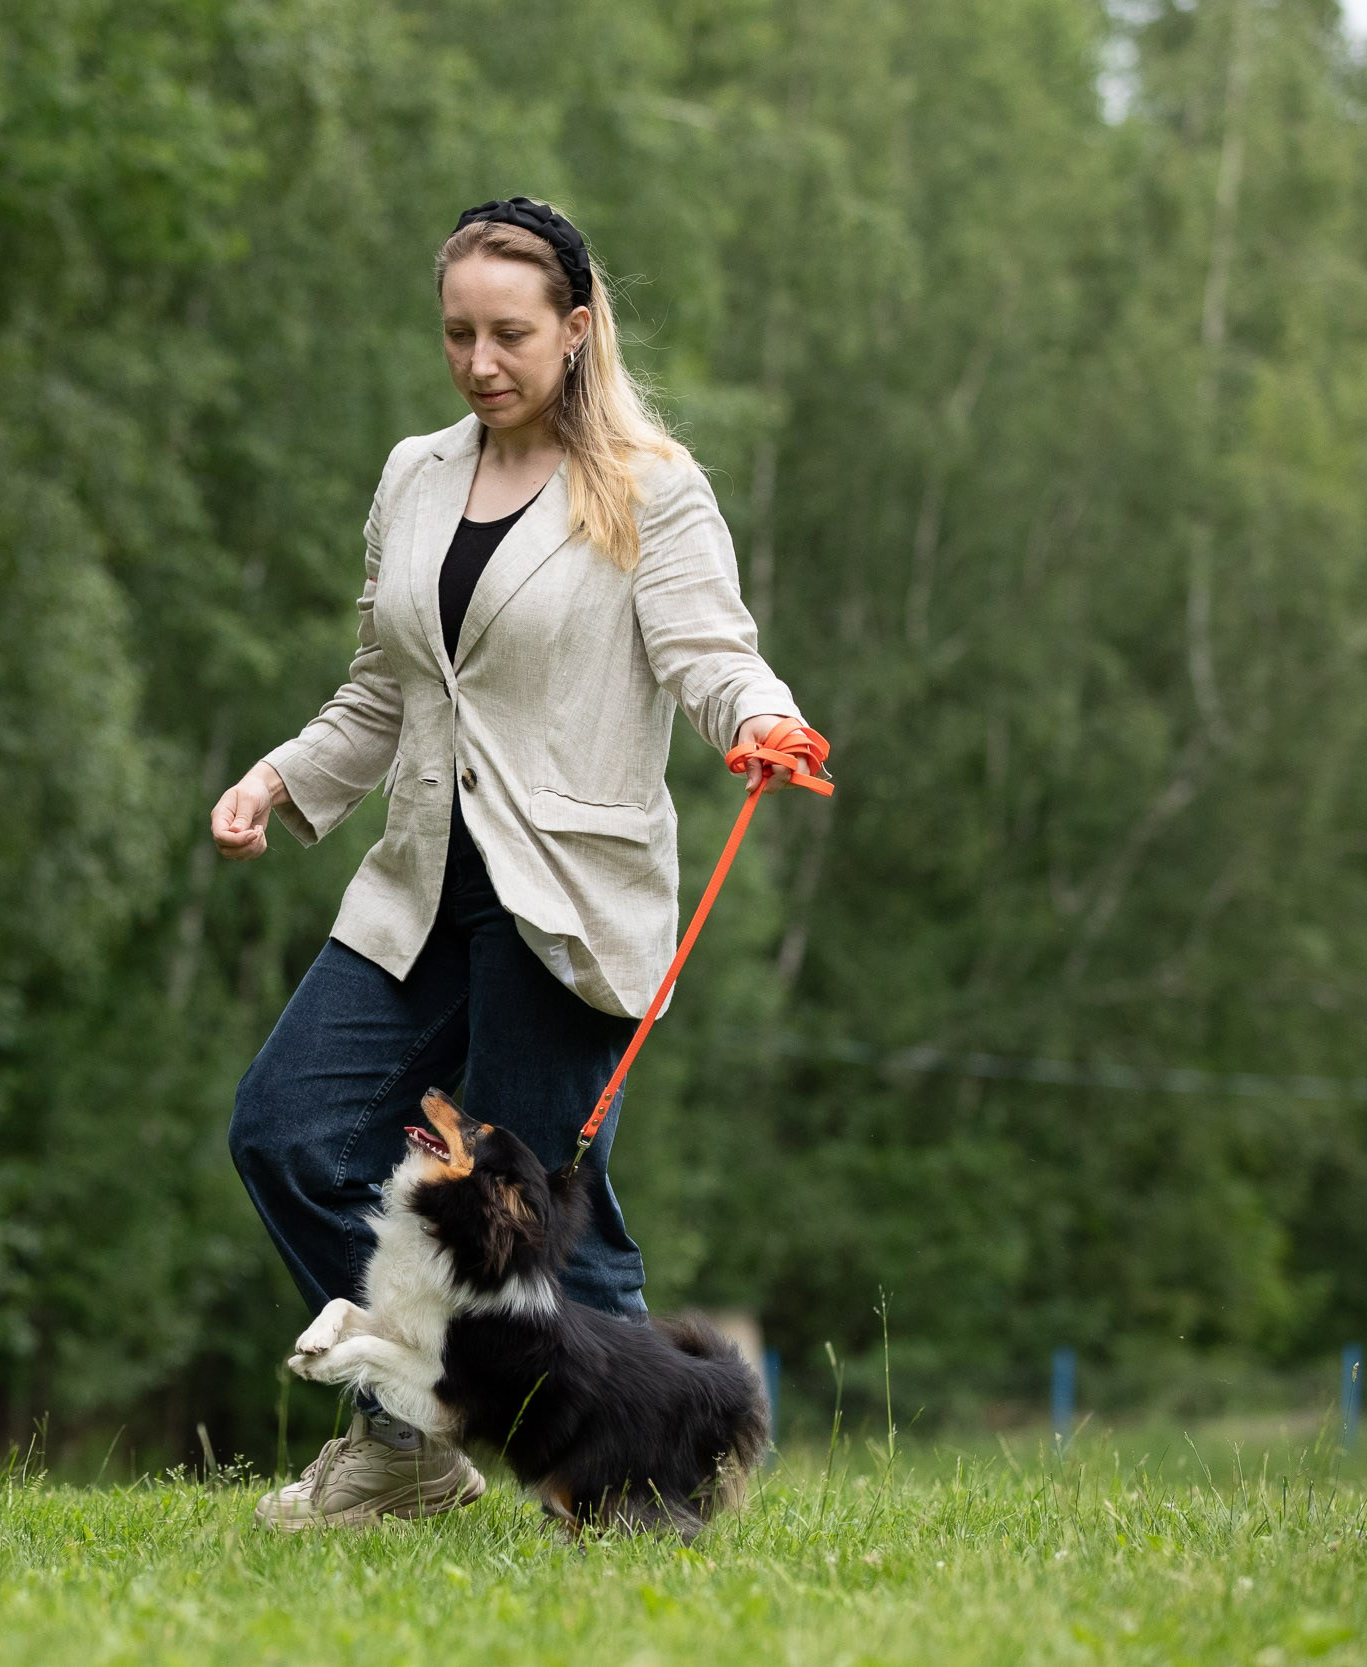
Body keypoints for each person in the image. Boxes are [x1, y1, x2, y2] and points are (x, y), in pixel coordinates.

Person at [211, 196, 807, 1530]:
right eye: (458, 334)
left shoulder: (652, 486)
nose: (481, 362)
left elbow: (707, 649)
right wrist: (279, 779)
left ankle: (652, 1485)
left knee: (547, 1231)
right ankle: (414, 1432)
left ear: (579, 329)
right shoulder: (416, 475)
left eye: (511, 335)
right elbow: (382, 687)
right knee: (289, 1134)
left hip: (568, 899)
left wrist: (759, 717)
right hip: (418, 888)